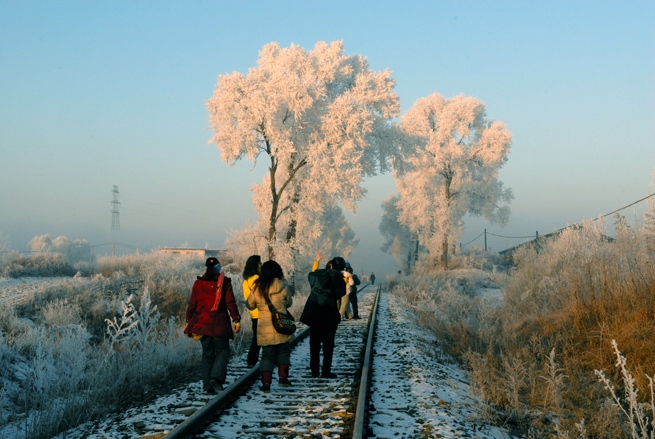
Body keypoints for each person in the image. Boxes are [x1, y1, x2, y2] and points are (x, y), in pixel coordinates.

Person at [184, 257, 241, 395]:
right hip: (220, 323)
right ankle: (216, 378)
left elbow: (192, 304)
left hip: (203, 324)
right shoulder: (225, 283)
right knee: (222, 351)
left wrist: (188, 320)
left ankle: (207, 385)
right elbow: (230, 303)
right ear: (218, 267)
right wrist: (236, 319)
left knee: (207, 354)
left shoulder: (198, 283)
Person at [246, 260, 294, 392]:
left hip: (265, 326)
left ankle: (266, 383)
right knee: (283, 350)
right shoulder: (282, 284)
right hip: (281, 324)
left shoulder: (258, 287)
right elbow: (289, 303)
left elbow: (250, 305)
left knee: (267, 355)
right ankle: (283, 378)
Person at [300, 253, 347, 378]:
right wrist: (345, 279)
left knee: (314, 343)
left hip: (315, 314)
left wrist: (317, 262)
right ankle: (326, 371)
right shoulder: (339, 280)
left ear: (330, 265)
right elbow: (340, 294)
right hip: (329, 315)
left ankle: (314, 370)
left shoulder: (318, 275)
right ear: (342, 269)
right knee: (328, 344)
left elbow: (312, 275)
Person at [242, 255, 262, 368]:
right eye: (259, 263)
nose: (261, 265)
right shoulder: (256, 279)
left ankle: (251, 360)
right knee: (259, 338)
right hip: (261, 312)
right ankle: (252, 360)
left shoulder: (246, 280)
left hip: (253, 313)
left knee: (257, 337)